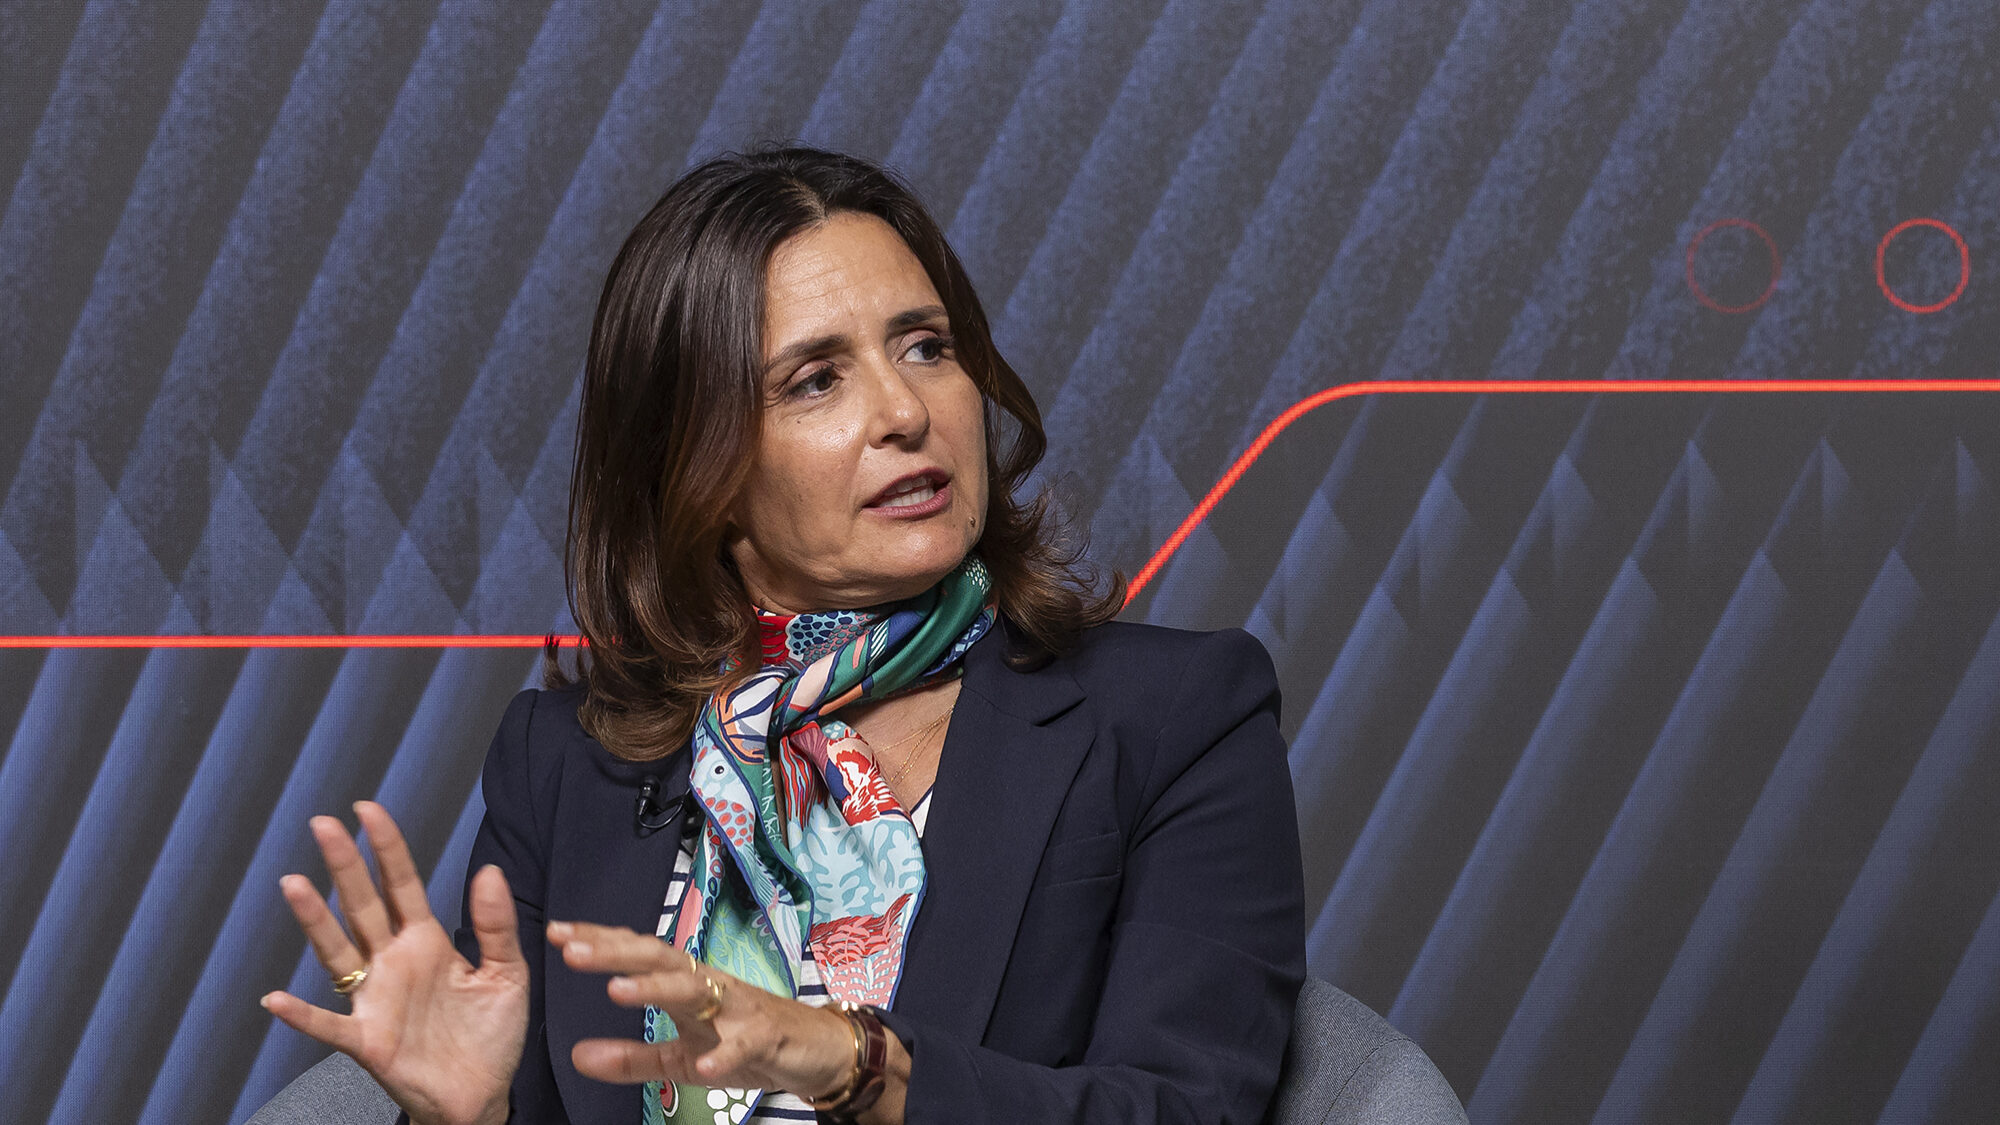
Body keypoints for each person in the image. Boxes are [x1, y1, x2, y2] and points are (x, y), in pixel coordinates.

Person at [261, 144, 1306, 1125]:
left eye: (927, 347)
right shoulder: (564, 769)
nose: (905, 411)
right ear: (696, 468)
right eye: (816, 380)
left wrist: (857, 1064)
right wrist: (473, 1116)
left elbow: (1186, 1107)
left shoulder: (1172, 717)